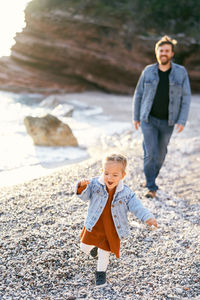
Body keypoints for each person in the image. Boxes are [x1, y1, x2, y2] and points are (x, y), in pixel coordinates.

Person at [75, 153, 158, 288]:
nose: (110, 178)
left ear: (122, 175)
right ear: (102, 171)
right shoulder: (95, 184)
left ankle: (101, 273)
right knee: (84, 247)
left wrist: (147, 217)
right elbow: (84, 197)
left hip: (112, 228)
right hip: (94, 224)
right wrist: (81, 186)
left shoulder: (126, 193)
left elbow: (137, 207)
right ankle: (93, 250)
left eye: (115, 175)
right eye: (106, 173)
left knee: (104, 253)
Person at [132, 35, 191, 198]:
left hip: (169, 121)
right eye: (161, 50)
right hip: (148, 119)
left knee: (161, 154)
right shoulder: (148, 71)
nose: (163, 53)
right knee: (151, 153)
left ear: (172, 53)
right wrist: (136, 116)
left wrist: (182, 120)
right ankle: (151, 187)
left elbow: (186, 97)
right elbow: (139, 94)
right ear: (156, 52)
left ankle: (150, 177)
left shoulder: (180, 72)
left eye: (167, 51)